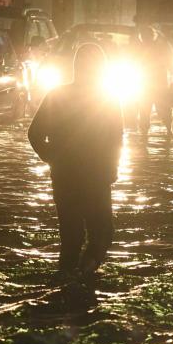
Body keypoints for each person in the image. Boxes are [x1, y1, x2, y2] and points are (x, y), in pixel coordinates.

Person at [28, 43, 123, 280]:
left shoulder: (58, 95)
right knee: (102, 233)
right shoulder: (108, 98)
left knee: (70, 236)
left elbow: (34, 134)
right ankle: (84, 271)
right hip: (96, 176)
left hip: (65, 175)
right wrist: (112, 168)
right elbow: (116, 139)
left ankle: (66, 281)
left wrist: (53, 159)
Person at [133, 26, 173, 134]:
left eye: (147, 36)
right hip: (147, 84)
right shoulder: (139, 48)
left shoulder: (160, 47)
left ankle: (167, 129)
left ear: (152, 36)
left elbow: (170, 62)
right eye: (143, 36)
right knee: (147, 109)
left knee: (159, 108)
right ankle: (164, 130)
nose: (145, 38)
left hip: (157, 84)